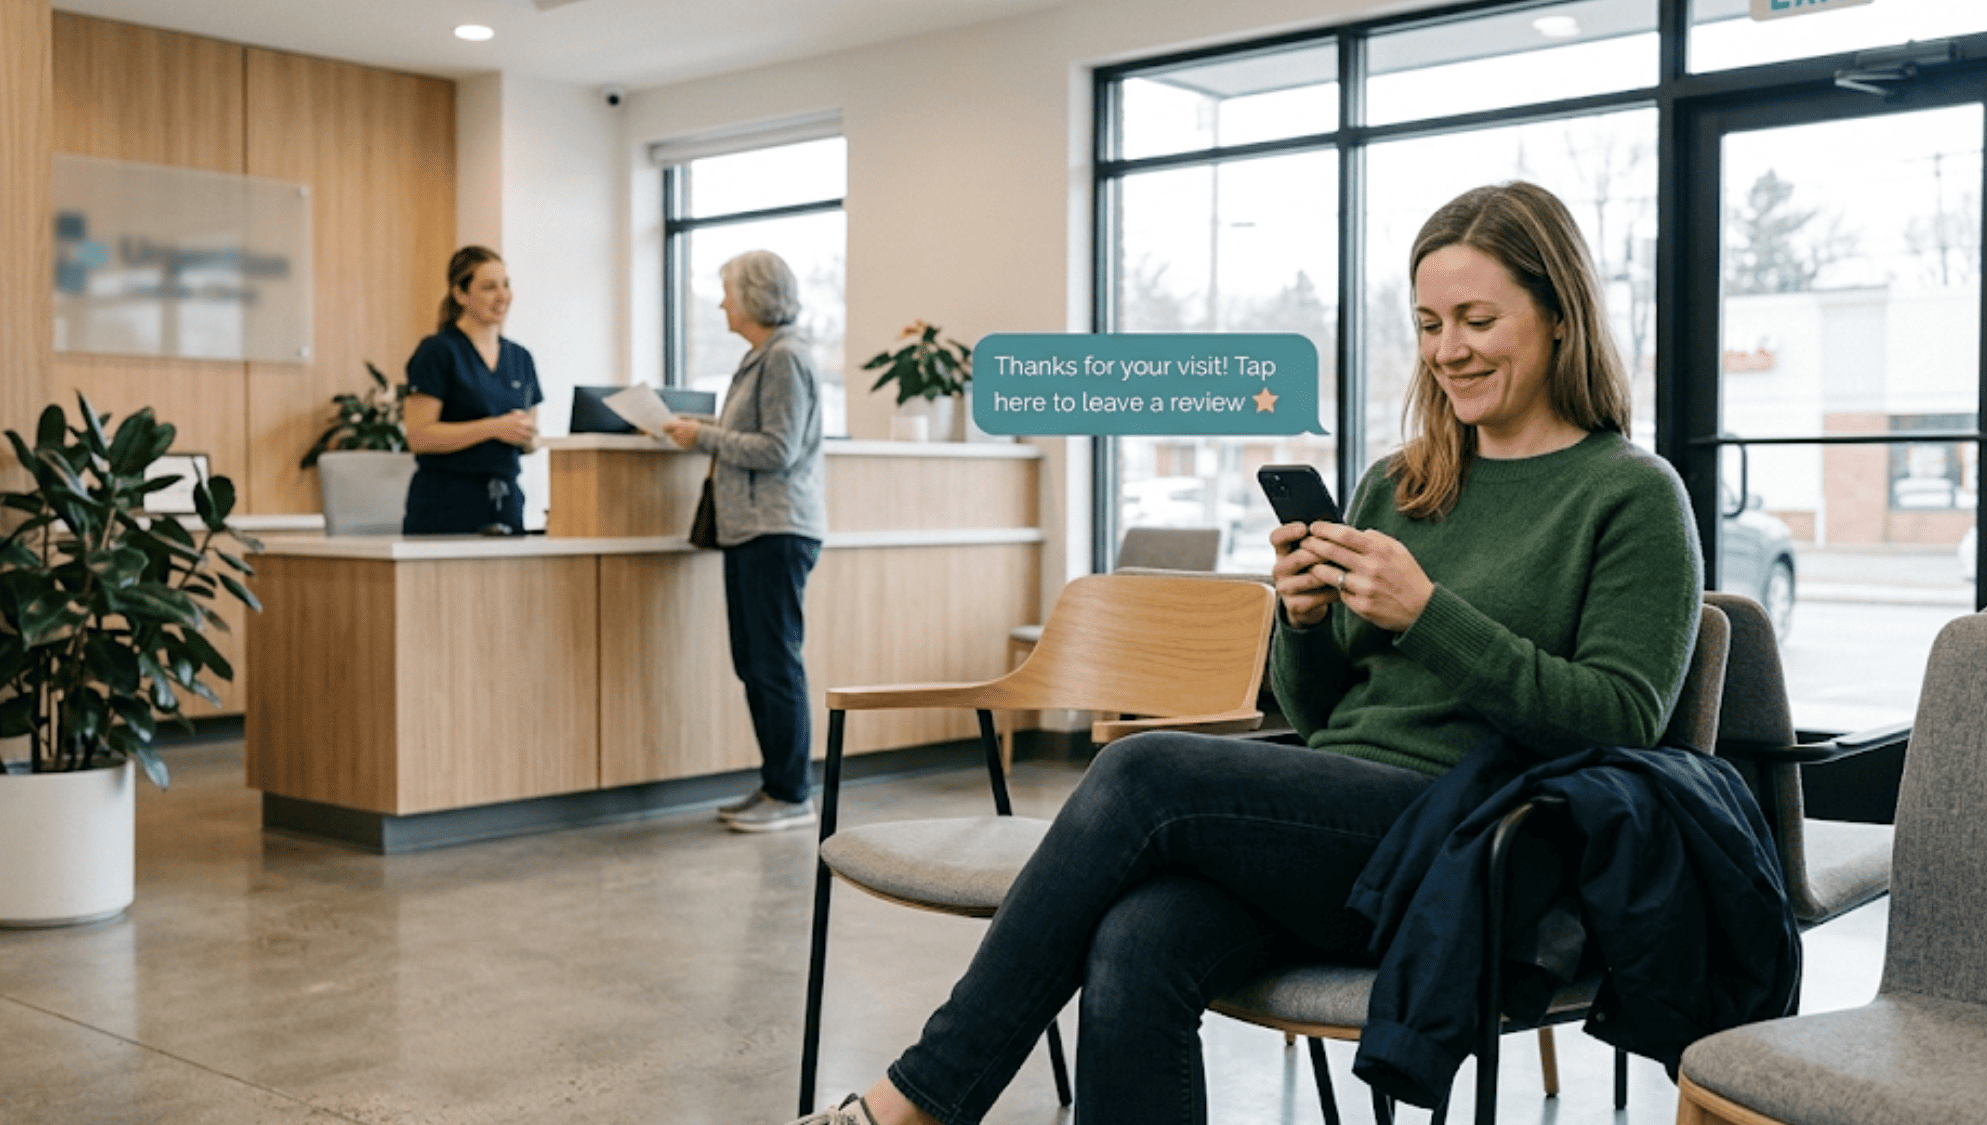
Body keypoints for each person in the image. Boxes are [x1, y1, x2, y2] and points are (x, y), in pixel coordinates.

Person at [782, 180, 1703, 1125]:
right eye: (1428, 322)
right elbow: (1322, 714)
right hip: (1343, 825)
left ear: (1558, 316)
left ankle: (918, 1102)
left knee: (1142, 771)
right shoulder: (1403, 482)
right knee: (1140, 936)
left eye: (1477, 319)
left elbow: (1625, 724)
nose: (1447, 350)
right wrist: (1300, 622)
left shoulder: (1632, 494)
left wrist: (1428, 613)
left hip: (1484, 843)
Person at [664, 250, 827, 833]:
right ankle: (776, 784)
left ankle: (792, 795)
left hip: (776, 529)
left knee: (773, 663)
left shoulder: (784, 358)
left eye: (728, 291)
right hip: (751, 529)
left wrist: (706, 437)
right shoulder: (760, 358)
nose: (722, 302)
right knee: (755, 662)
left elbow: (777, 449)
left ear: (755, 297)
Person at [401, 245, 542, 535]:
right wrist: (493, 428)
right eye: (489, 287)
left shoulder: (521, 358)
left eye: (506, 284)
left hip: (506, 504)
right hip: (447, 506)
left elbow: (530, 437)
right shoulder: (438, 352)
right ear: (460, 294)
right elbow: (419, 436)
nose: (503, 296)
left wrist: (528, 437)